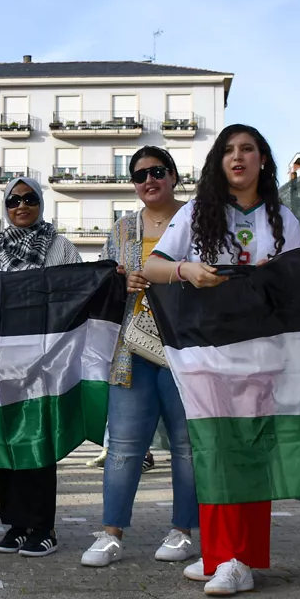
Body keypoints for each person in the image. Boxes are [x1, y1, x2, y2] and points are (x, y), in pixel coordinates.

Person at [143, 124, 300, 596]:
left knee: (248, 454)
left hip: (262, 352)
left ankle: (239, 558)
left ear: (262, 160)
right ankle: (222, 554)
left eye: (248, 149)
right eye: (229, 150)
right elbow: (152, 266)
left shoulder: (283, 219)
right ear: (218, 162)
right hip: (206, 350)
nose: (238, 157)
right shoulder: (197, 212)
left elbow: (297, 283)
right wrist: (186, 270)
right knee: (214, 450)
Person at [84, 147, 199, 568]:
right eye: (139, 175)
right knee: (124, 447)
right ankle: (111, 532)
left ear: (172, 175)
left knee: (187, 446)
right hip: (132, 349)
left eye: (157, 172)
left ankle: (182, 530)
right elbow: (104, 279)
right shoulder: (123, 227)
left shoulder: (198, 218)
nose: (148, 180)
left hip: (187, 349)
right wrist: (123, 279)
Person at [0, 176, 83, 558]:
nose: (21, 205)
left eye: (30, 199)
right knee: (7, 443)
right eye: (14, 200)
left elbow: (76, 291)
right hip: (3, 363)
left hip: (44, 361)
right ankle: (16, 525)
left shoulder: (59, 246)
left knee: (37, 443)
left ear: (41, 203)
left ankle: (43, 527)